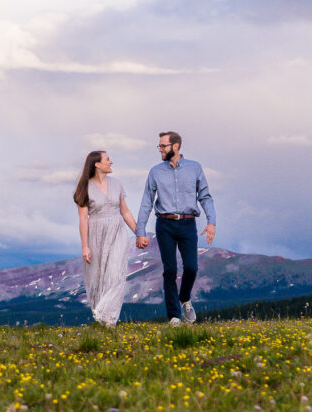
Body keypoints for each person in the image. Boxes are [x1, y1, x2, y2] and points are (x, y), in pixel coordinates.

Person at [135, 131, 216, 326]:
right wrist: (140, 232)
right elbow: (147, 201)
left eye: (163, 146)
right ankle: (174, 316)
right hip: (165, 224)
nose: (160, 149)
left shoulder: (194, 168)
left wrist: (211, 222)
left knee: (191, 267)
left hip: (188, 224)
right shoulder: (155, 172)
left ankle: (185, 298)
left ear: (176, 146)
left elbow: (205, 196)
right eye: (159, 146)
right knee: (169, 269)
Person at [74, 150, 138, 327]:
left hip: (117, 231)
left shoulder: (117, 184)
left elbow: (125, 211)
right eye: (107, 159)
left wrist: (138, 232)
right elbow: (83, 219)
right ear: (97, 164)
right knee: (96, 277)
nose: (111, 162)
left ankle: (105, 313)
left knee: (116, 274)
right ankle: (105, 322)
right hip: (95, 233)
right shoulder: (84, 188)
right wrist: (85, 246)